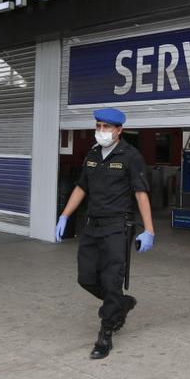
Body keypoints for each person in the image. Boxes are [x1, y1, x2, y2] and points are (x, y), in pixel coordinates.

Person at [55, 107, 156, 359]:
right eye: (98, 126)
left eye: (106, 127)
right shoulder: (92, 154)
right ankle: (121, 303)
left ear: (119, 130)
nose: (101, 131)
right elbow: (81, 187)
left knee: (111, 281)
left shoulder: (131, 156)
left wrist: (149, 230)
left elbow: (141, 193)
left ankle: (106, 333)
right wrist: (64, 215)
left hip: (117, 227)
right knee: (86, 278)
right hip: (92, 226)